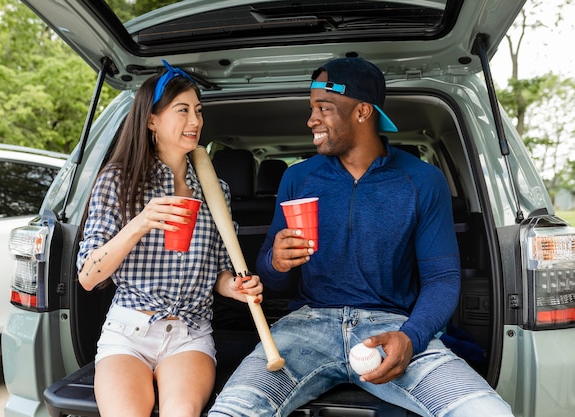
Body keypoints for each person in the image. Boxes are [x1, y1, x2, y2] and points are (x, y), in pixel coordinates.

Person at [208, 57, 514, 417]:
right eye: (311, 108)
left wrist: (412, 338)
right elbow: (270, 278)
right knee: (232, 410)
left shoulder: (423, 181)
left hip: (391, 329)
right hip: (305, 328)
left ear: (362, 112)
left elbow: (442, 279)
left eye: (324, 107)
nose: (311, 120)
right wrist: (275, 262)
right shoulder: (298, 179)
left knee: (485, 411)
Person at [76, 61, 263, 417]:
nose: (195, 121)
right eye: (182, 111)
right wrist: (141, 222)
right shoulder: (117, 181)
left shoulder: (215, 190)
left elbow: (220, 272)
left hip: (190, 333)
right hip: (127, 330)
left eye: (198, 111)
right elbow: (88, 276)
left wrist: (234, 287)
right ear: (151, 121)